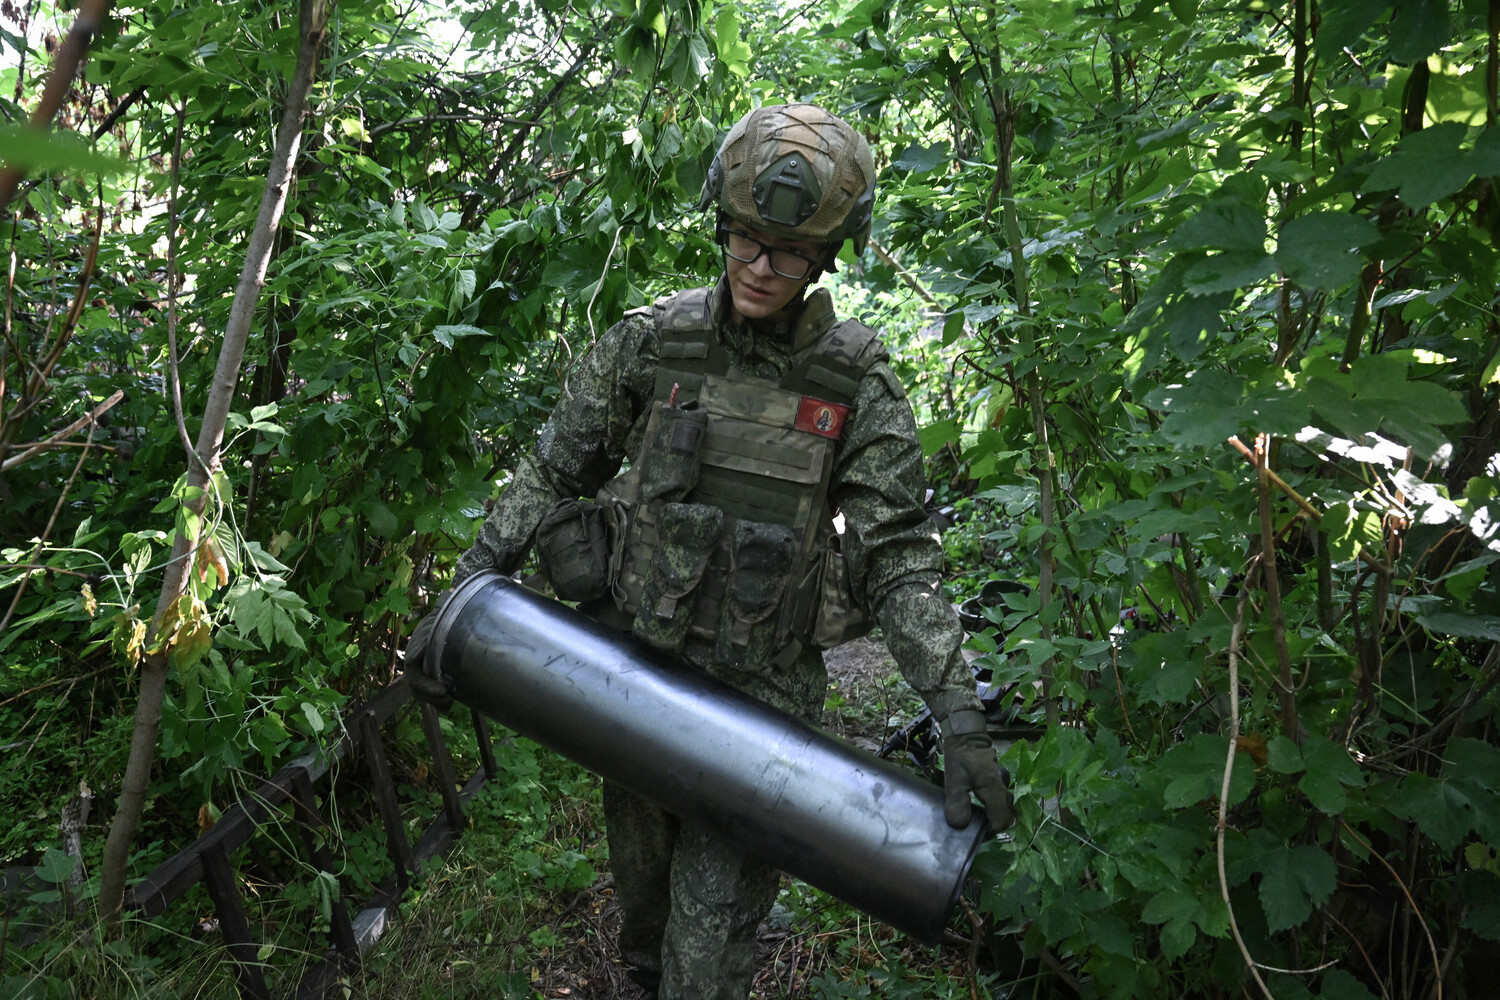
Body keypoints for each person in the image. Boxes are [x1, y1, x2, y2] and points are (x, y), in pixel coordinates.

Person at [407, 101, 1011, 1000]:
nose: (762, 267)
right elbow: (553, 468)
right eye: (746, 241)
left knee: (706, 955)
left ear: (824, 259)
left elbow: (899, 558)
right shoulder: (655, 343)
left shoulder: (856, 385)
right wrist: (465, 586)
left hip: (761, 714)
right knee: (645, 918)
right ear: (721, 227)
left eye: (790, 252)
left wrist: (960, 718)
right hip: (635, 681)